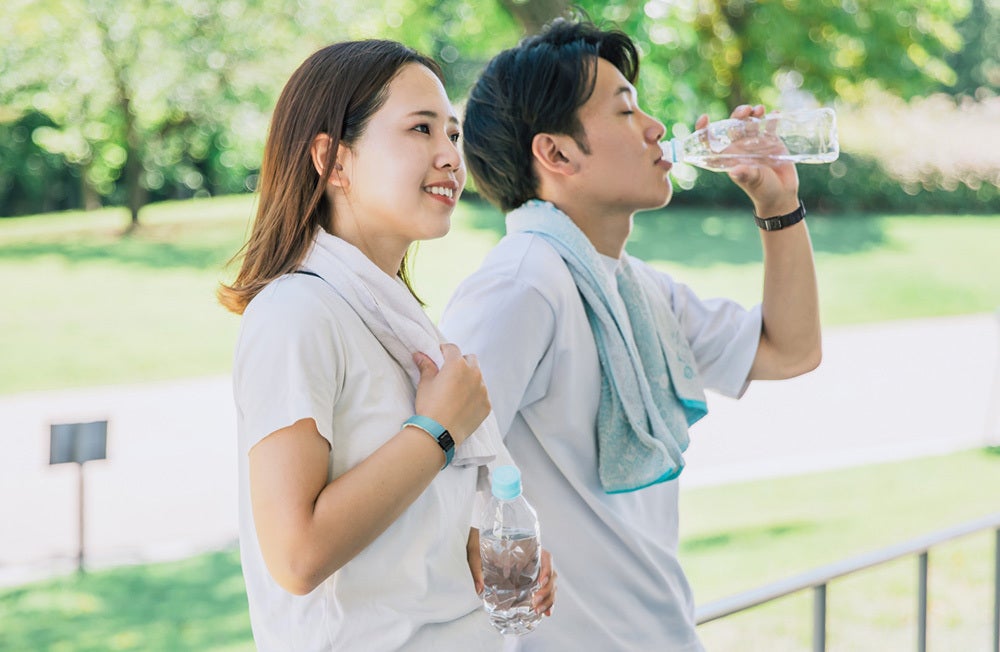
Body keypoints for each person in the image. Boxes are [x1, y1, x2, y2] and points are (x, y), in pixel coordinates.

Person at [439, 18, 821, 652]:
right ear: (556, 154)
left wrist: (778, 204)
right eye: (625, 110)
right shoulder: (521, 286)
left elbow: (791, 350)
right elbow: (432, 474)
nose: (655, 127)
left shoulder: (635, 288)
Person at [218, 40, 554, 651]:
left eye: (452, 133)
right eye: (420, 128)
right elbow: (296, 556)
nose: (449, 155)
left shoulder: (395, 318)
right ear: (332, 160)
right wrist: (437, 431)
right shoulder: (296, 315)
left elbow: (401, 526)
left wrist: (485, 540)